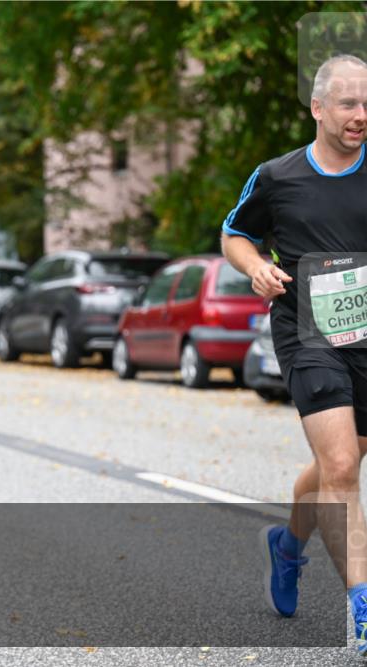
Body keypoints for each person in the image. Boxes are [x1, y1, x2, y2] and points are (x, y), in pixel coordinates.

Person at [221, 54, 367, 654]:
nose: (361, 114)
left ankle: (287, 545)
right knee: (342, 467)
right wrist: (256, 267)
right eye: (349, 103)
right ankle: (363, 608)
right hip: (306, 331)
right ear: (317, 108)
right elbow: (235, 234)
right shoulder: (278, 176)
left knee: (343, 462)